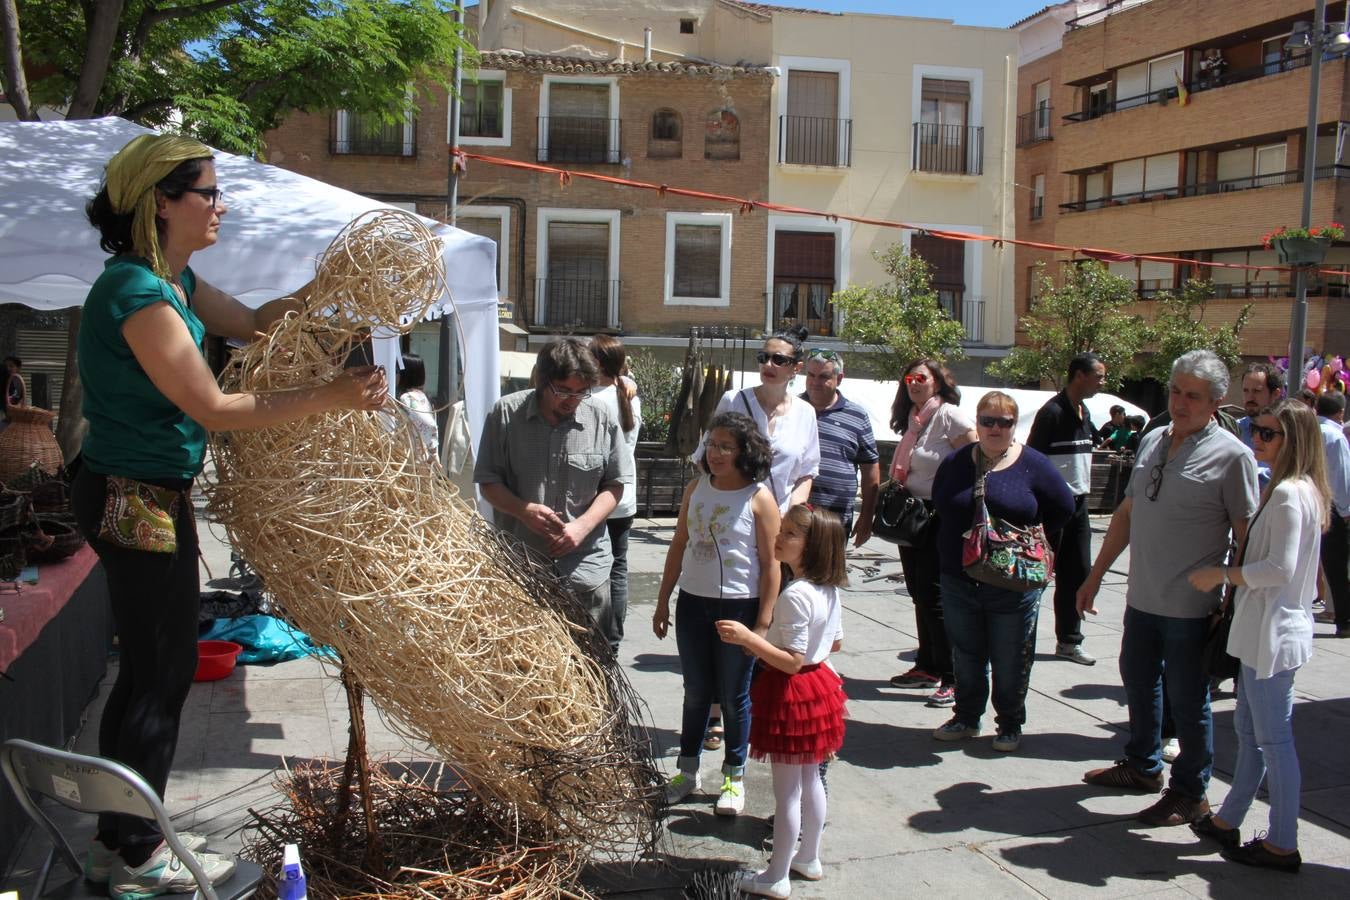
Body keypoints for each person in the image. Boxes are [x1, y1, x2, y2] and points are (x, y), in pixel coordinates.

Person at [75, 133, 387, 898]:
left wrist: (323, 295)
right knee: (162, 673)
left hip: (143, 493)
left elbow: (252, 322)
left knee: (150, 672)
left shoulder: (174, 281)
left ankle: (115, 841)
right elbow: (211, 406)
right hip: (133, 498)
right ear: (160, 203)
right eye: (206, 193)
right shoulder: (137, 295)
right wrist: (333, 396)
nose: (221, 204)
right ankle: (142, 855)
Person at [1078, 350, 1258, 827]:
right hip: (1142, 597)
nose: (1180, 402)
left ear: (1217, 401)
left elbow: (1246, 535)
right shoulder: (1154, 439)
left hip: (1190, 608)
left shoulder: (1233, 456)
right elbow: (1128, 514)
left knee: (1188, 700)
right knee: (1137, 679)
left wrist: (1230, 594)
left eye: (1192, 396)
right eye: (1175, 391)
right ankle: (1142, 765)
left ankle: (1190, 793)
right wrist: (1094, 577)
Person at [1186, 399, 1331, 872]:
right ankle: (1230, 820)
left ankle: (1282, 842)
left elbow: (1279, 569)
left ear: (1295, 440)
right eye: (1257, 430)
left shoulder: (1290, 493)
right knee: (1252, 735)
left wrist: (1222, 575)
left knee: (1274, 740)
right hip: (1263, 633)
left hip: (1273, 635)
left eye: (1269, 434)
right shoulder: (1295, 489)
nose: (1257, 440)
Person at [930, 392, 1075, 751]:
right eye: (988, 421)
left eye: (1004, 422)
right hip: (958, 578)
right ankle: (966, 716)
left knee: (1011, 656)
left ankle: (1009, 723)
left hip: (1012, 582)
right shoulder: (956, 462)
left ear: (1014, 425)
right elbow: (940, 503)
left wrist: (1025, 540)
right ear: (976, 423)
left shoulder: (1034, 464)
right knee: (966, 654)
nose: (995, 428)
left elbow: (1063, 508)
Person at [716, 504, 847, 899]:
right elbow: (835, 641)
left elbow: (790, 661)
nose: (779, 537)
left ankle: (776, 876)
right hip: (820, 685)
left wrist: (748, 639)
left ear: (812, 546)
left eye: (790, 534)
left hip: (793, 692)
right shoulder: (827, 588)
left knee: (788, 789)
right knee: (810, 779)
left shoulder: (797, 595)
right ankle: (808, 856)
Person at [654, 412, 780, 817]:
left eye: (726, 446)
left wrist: (762, 622)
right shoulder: (696, 488)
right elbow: (678, 543)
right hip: (693, 603)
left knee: (733, 696)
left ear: (746, 452)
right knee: (695, 692)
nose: (716, 453)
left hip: (739, 608)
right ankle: (687, 773)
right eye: (712, 444)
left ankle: (733, 777)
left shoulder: (759, 496)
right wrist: (662, 600)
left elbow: (772, 563)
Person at [474, 338, 630, 638]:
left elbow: (615, 484)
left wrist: (582, 527)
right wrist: (522, 510)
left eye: (581, 392)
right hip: (522, 572)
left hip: (586, 570)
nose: (572, 400)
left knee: (594, 672)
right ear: (541, 382)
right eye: (563, 391)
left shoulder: (601, 417)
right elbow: (488, 482)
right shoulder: (505, 415)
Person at [886, 358, 977, 708]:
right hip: (914, 517)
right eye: (909, 377)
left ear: (937, 382)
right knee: (919, 593)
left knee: (937, 598)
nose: (914, 383)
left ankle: (953, 676)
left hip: (940, 518)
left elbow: (976, 459)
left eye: (921, 378)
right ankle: (927, 666)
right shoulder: (914, 419)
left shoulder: (948, 416)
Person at [1027, 352, 1105, 666]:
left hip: (1080, 506)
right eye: (1098, 375)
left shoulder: (1084, 412)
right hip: (1052, 508)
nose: (1103, 381)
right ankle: (1020, 637)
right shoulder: (1052, 414)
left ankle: (1069, 641)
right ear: (1079, 375)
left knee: (1076, 575)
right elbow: (1032, 460)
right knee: (1037, 574)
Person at [704, 326, 820, 513]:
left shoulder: (806, 412)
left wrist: (791, 516)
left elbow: (807, 472)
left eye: (779, 359)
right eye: (763, 357)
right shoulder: (733, 401)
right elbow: (705, 455)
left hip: (780, 520)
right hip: (733, 515)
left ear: (796, 368)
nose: (768, 365)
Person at [591, 334, 642, 653]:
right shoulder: (628, 396)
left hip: (593, 499)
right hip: (624, 498)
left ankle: (595, 631)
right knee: (618, 568)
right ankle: (614, 636)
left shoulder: (588, 398)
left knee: (593, 567)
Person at [800, 347, 880, 546]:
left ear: (840, 378)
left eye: (824, 376)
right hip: (793, 518)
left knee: (828, 577)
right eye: (811, 375)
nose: (815, 382)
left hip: (835, 522)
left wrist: (867, 516)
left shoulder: (857, 416)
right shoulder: (791, 408)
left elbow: (871, 469)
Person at [1314, 391, 1350, 638]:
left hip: (1306, 502)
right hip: (1331, 508)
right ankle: (1344, 621)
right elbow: (1341, 477)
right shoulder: (1335, 436)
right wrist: (1347, 511)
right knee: (1336, 568)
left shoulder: (1307, 431)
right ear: (1340, 413)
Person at [1237, 363, 1285, 486]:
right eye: (1245, 391)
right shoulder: (1234, 430)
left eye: (1257, 391)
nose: (1250, 397)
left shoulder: (1286, 433)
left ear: (1275, 394)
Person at [396, 352, 438, 463]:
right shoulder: (422, 396)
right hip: (422, 458)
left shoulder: (408, 398)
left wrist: (432, 448)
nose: (396, 375)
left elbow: (429, 424)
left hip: (413, 458)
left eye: (397, 371)